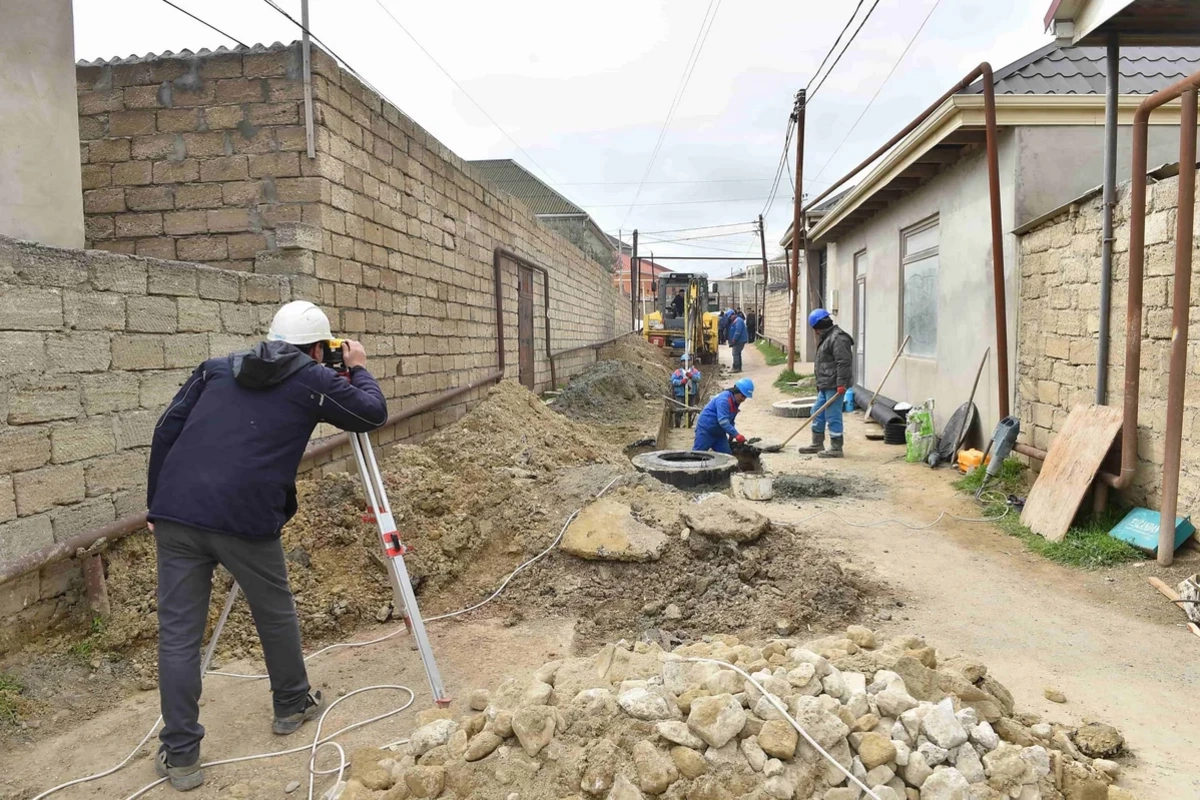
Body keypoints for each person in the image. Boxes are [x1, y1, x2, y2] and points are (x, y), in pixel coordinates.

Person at [146, 300, 388, 790]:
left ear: (273, 338)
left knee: (177, 635)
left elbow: (166, 428)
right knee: (273, 610)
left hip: (176, 511)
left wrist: (156, 504)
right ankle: (292, 703)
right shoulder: (314, 380)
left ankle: (181, 756)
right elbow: (370, 414)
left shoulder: (217, 368)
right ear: (319, 348)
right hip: (244, 517)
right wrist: (358, 369)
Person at [797, 308, 854, 459]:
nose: (815, 332)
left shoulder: (838, 338)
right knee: (817, 412)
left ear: (818, 327)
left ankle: (836, 447)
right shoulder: (828, 336)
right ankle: (817, 443)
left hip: (834, 385)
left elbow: (844, 362)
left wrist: (841, 383)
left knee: (832, 414)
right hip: (825, 384)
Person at [693, 377, 754, 454]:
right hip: (706, 431)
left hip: (719, 434)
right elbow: (723, 421)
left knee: (728, 458)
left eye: (745, 397)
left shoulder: (735, 401)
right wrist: (736, 435)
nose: (743, 399)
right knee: (696, 456)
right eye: (743, 396)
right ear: (736, 391)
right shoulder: (724, 400)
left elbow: (730, 419)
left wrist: (731, 433)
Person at [670, 353, 702, 427]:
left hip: (692, 393)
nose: (686, 363)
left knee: (690, 410)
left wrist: (692, 376)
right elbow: (673, 381)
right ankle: (677, 425)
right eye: (684, 361)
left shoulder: (694, 371)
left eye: (688, 361)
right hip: (681, 394)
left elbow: (698, 378)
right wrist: (681, 382)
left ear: (691, 362)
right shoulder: (677, 372)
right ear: (681, 362)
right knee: (679, 410)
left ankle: (688, 424)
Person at [728, 308, 748, 373]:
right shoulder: (737, 320)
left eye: (730, 317)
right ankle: (739, 367)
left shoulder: (738, 321)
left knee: (735, 353)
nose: (730, 318)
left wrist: (734, 338)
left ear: (732, 315)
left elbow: (738, 331)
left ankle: (736, 367)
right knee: (738, 353)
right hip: (739, 340)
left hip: (739, 340)